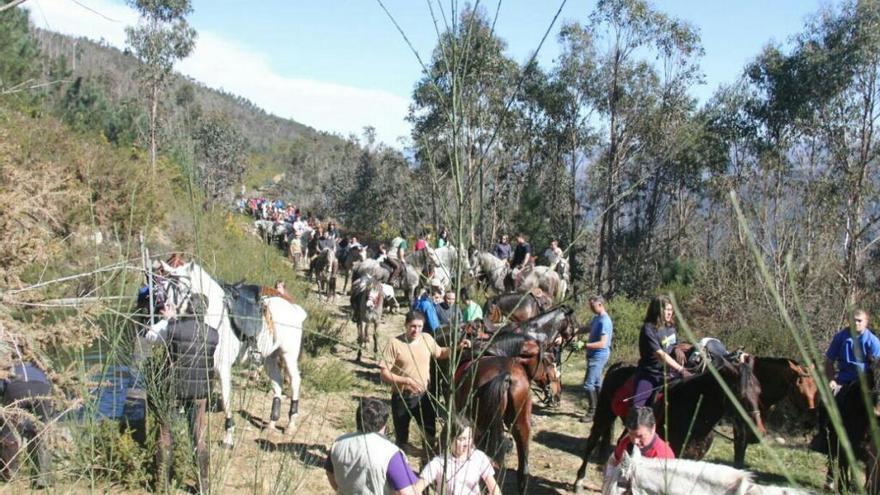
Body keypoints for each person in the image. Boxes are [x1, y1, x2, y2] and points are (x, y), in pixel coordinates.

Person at [145, 297, 219, 493]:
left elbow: (150, 337)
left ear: (186, 309)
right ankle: (203, 485)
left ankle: (163, 485)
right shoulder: (214, 334)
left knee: (166, 435)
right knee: (199, 437)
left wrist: (168, 319)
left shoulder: (173, 328)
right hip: (200, 392)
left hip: (174, 390)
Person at [379, 311, 464, 452]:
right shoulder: (394, 343)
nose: (416, 330)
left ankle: (427, 459)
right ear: (405, 325)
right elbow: (384, 374)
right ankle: (403, 463)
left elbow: (440, 353)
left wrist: (457, 348)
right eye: (412, 326)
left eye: (419, 326)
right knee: (401, 439)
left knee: (430, 434)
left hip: (424, 396)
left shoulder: (427, 338)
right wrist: (406, 380)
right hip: (402, 396)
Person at [810, 309, 880, 454]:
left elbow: (877, 366)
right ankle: (823, 437)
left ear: (866, 322)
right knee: (825, 401)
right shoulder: (841, 337)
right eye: (853, 320)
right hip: (844, 380)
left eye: (859, 320)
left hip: (866, 382)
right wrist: (831, 380)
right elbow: (829, 360)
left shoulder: (873, 341)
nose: (856, 323)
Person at [325, 397, 419, 494]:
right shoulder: (390, 453)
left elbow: (330, 473)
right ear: (384, 425)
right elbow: (406, 492)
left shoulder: (339, 443)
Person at [0, 357, 53, 488]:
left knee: (10, 431)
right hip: (43, 389)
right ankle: (42, 478)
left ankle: (9, 473)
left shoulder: (6, 366)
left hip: (16, 389)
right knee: (41, 431)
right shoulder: (37, 364)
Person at [414, 415, 499, 495]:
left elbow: (495, 490)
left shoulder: (479, 458)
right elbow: (415, 490)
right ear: (450, 439)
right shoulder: (438, 463)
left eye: (469, 438)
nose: (467, 443)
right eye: (461, 439)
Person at [631, 296, 691, 407]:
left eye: (671, 310)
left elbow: (672, 344)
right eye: (667, 310)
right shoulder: (648, 329)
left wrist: (677, 348)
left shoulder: (670, 327)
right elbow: (660, 354)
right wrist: (681, 369)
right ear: (657, 310)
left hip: (670, 374)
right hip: (650, 374)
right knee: (638, 408)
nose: (670, 313)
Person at [604, 406, 675, 479]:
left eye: (640, 436)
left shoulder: (663, 457)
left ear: (653, 428)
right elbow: (613, 461)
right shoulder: (626, 441)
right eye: (631, 434)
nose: (635, 441)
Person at [580, 295, 613, 423]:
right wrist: (575, 331)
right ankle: (601, 409)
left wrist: (584, 345)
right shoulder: (597, 318)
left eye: (592, 305)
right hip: (593, 355)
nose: (591, 308)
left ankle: (592, 412)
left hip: (599, 355)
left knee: (588, 384)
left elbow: (603, 343)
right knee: (597, 384)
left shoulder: (605, 321)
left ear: (600, 304)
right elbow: (588, 328)